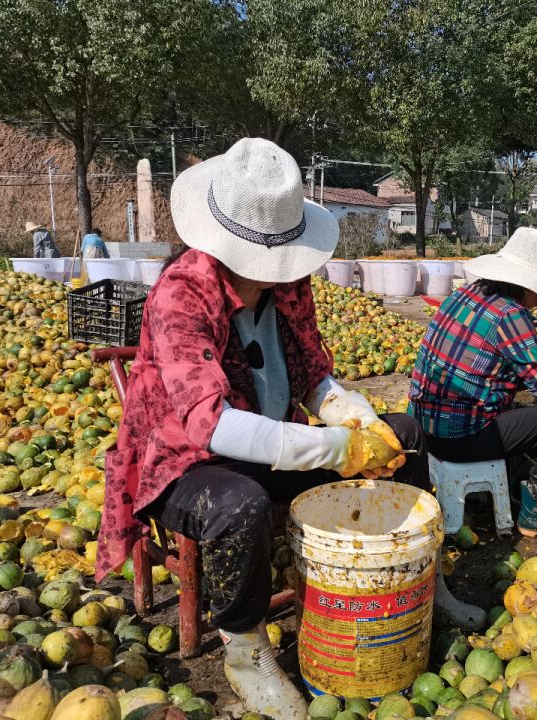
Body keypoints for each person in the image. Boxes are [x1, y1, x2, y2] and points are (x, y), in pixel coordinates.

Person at [95, 138, 480, 718]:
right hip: (187, 464)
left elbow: (313, 378)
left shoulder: (289, 287)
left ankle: (425, 584)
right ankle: (245, 649)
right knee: (240, 505)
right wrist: (335, 447)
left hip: (274, 442)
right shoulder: (181, 296)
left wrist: (357, 420)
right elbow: (211, 427)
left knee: (407, 435)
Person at [409, 228, 537, 538]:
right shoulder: (511, 314)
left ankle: (510, 483)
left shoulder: (466, 293)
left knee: (522, 403)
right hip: (460, 439)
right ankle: (536, 512)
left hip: (423, 427)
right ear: (530, 285)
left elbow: (479, 367)